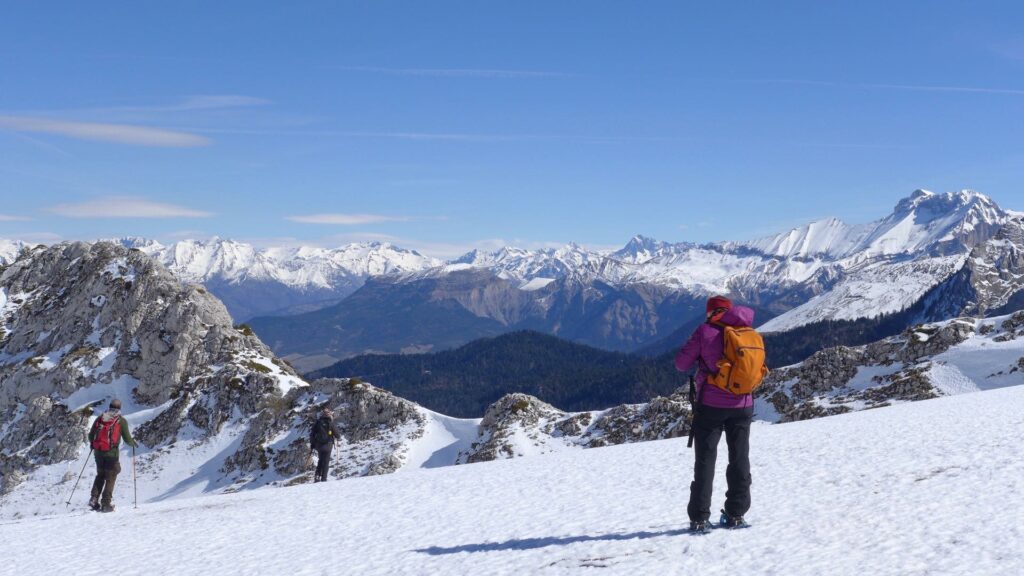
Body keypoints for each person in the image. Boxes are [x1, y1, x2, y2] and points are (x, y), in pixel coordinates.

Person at [675, 295, 758, 533]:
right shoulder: (746, 331)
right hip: (743, 404)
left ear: (710, 312)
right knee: (740, 457)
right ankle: (736, 515)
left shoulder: (705, 331)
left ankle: (700, 518)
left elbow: (681, 364)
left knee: (705, 460)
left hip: (711, 405)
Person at [88, 398, 137, 513]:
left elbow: (91, 436)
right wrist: (133, 443)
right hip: (112, 454)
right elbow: (127, 439)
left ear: (109, 406)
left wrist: (94, 445)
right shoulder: (120, 421)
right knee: (111, 476)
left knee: (100, 475)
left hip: (98, 453)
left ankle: (94, 499)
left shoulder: (100, 418)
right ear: (119, 408)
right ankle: (106, 503)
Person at [309, 408, 341, 482]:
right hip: (328, 444)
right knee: (326, 462)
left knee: (320, 460)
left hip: (319, 445)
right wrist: (338, 438)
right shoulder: (330, 423)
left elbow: (312, 434)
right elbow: (337, 434)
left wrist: (312, 445)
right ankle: (324, 478)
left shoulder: (317, 423)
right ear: (329, 414)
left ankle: (317, 475)